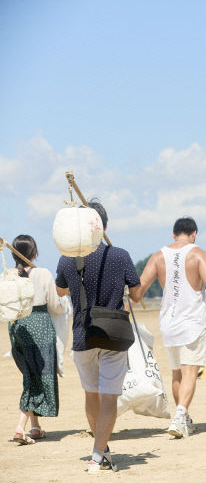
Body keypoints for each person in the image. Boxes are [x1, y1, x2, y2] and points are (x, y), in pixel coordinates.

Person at [138, 217, 206, 438]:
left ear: (173, 234)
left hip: (168, 323)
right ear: (194, 233)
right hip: (191, 323)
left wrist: (123, 305)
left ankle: (182, 417)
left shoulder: (158, 256)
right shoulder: (198, 254)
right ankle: (180, 415)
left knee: (177, 373)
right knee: (190, 372)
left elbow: (138, 289)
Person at [55, 201, 144, 472]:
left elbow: (61, 292)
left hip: (82, 335)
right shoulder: (119, 255)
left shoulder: (67, 258)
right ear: (103, 227)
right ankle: (98, 452)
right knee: (109, 397)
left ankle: (101, 448)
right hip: (113, 335)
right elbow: (137, 296)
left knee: (91, 394)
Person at [9, 235, 66, 445]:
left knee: (30, 374)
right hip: (40, 327)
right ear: (35, 253)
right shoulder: (42, 273)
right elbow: (56, 306)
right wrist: (66, 303)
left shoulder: (8, 275)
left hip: (17, 328)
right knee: (37, 377)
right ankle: (20, 426)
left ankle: (35, 427)